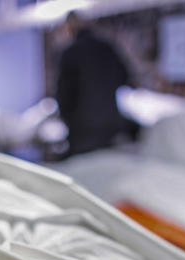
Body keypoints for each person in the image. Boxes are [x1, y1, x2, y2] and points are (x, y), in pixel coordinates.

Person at [56, 12, 134, 157]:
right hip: (110, 125)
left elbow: (64, 94)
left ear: (69, 28)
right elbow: (125, 78)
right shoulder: (108, 48)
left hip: (83, 129)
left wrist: (66, 119)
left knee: (85, 171)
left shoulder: (70, 53)